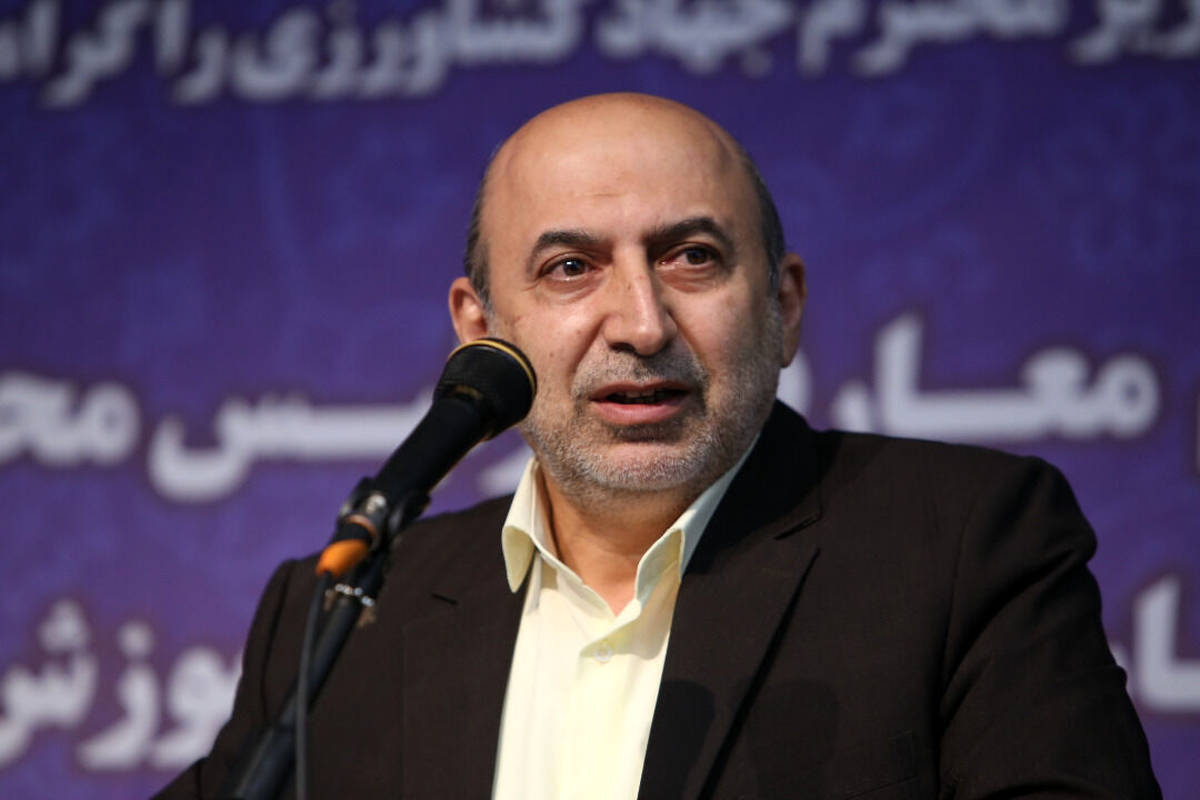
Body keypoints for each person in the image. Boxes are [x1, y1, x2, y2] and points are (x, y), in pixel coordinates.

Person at [157, 93, 1159, 799]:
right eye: (569, 267)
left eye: (692, 257)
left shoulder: (967, 544)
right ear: (480, 330)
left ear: (784, 306)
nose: (640, 322)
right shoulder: (340, 616)